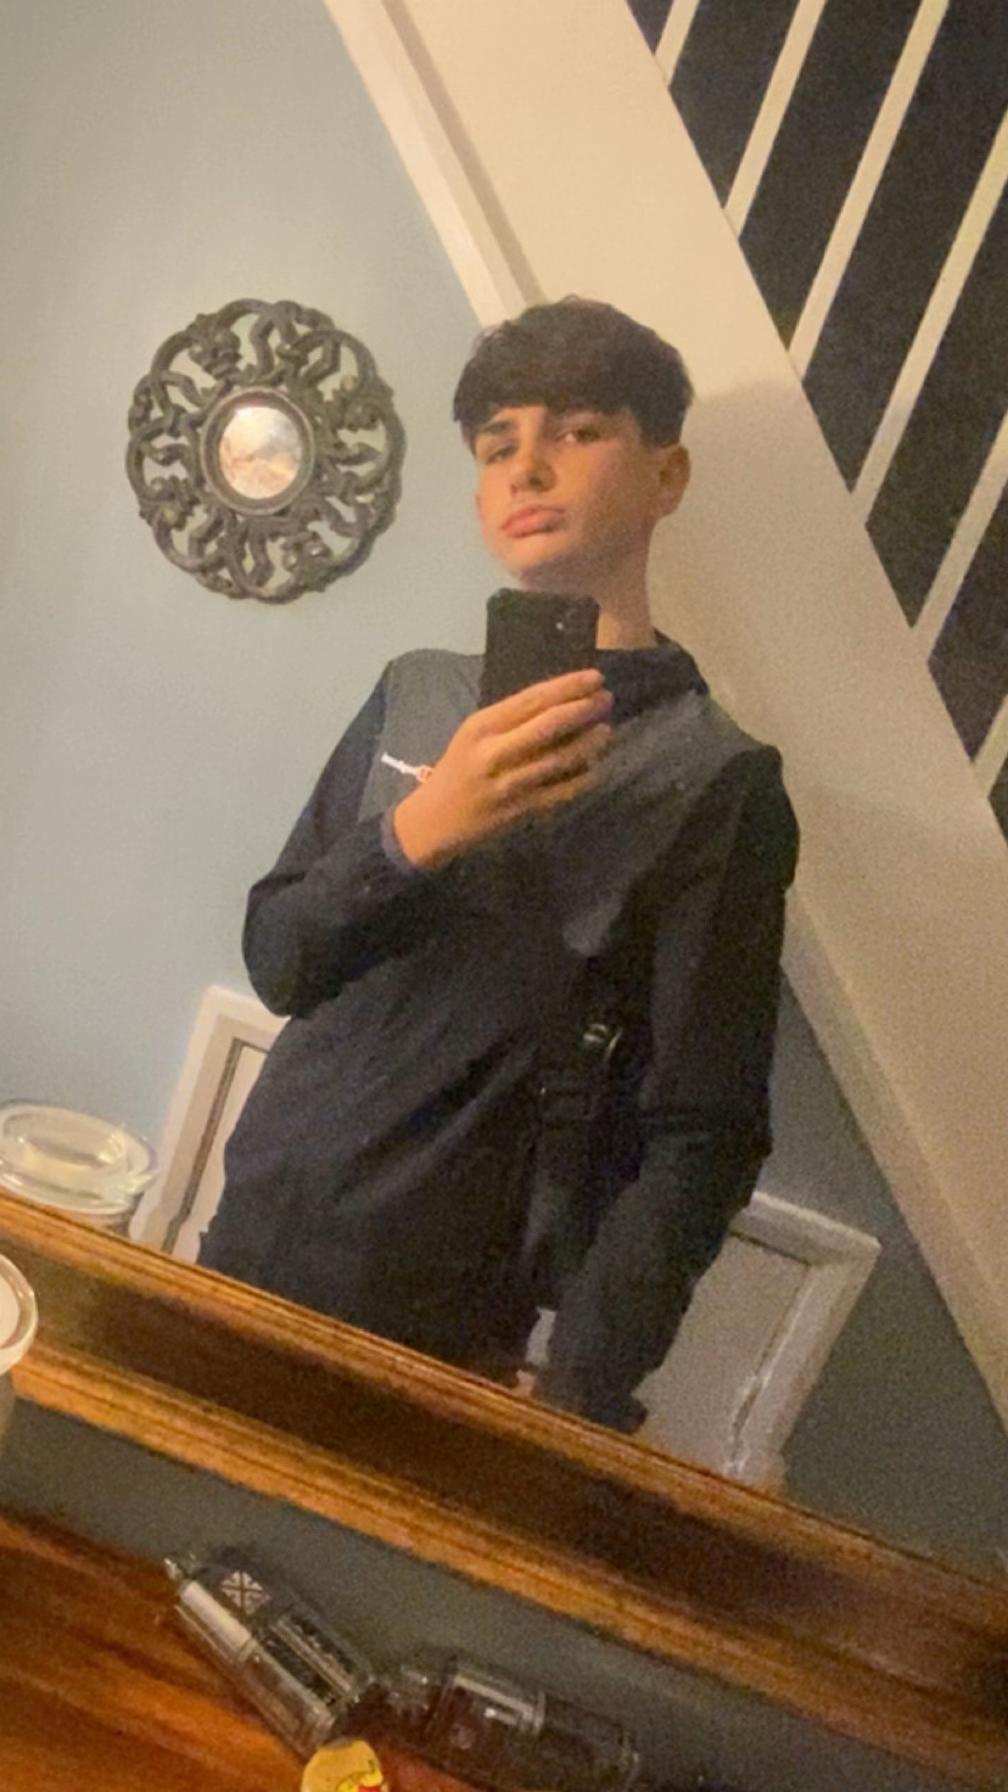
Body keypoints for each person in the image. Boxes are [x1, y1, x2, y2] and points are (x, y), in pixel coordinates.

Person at [199, 298, 798, 1432]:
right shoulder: (416, 690)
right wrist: (419, 831)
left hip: (452, 1323)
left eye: (578, 430)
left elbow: (703, 1130)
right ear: (480, 498)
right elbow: (282, 958)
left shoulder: (714, 780)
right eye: (496, 445)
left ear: (667, 476)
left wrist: (582, 1387)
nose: (528, 466)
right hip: (254, 1224)